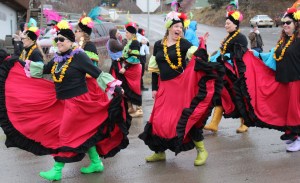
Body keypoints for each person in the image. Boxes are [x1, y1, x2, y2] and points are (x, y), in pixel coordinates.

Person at [0, 20, 130, 181]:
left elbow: (97, 73)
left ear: (70, 42)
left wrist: (116, 87)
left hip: (78, 103)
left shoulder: (79, 57)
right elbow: (40, 70)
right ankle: (96, 162)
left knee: (66, 135)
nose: (59, 42)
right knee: (82, 134)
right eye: (57, 39)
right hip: (62, 103)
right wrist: (14, 63)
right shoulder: (58, 59)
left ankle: (57, 170)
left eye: (62, 40)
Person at [138, 11, 223, 166]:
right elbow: (155, 70)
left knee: (183, 119)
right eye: (176, 26)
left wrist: (203, 44)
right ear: (169, 27)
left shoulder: (183, 44)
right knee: (158, 120)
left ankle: (202, 150)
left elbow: (198, 55)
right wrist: (155, 88)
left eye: (181, 27)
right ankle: (159, 152)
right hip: (164, 88)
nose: (179, 30)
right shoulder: (158, 44)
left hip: (180, 87)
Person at [237, 7, 300, 151]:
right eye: (283, 22)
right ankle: (293, 135)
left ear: (296, 24)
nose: (285, 25)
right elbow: (273, 57)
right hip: (284, 80)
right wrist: (256, 55)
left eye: (288, 22)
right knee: (285, 109)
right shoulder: (283, 40)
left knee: (295, 110)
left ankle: (297, 136)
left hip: (296, 80)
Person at [204, 10, 249, 133]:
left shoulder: (241, 38)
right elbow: (222, 53)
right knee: (219, 96)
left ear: (235, 24)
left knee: (238, 98)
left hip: (235, 75)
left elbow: (241, 55)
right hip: (223, 74)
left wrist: (227, 56)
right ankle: (214, 124)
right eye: (225, 23)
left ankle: (245, 123)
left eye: (228, 23)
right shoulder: (229, 37)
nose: (226, 25)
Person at [113, 22, 143, 118]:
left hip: (133, 69)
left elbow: (134, 57)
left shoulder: (135, 42)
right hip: (128, 68)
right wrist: (119, 59)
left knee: (135, 88)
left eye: (127, 33)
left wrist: (125, 68)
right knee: (126, 87)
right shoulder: (129, 42)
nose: (125, 34)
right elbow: (126, 55)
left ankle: (139, 109)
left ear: (132, 33)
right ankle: (130, 107)